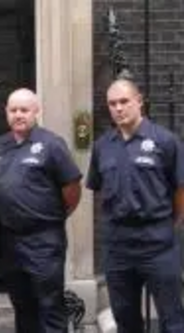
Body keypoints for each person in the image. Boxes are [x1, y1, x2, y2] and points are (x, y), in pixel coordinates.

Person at [87, 79, 184, 332]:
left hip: (157, 244)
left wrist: (169, 223)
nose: (118, 108)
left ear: (139, 101)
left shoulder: (165, 141)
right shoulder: (102, 146)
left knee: (172, 320)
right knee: (126, 320)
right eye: (112, 103)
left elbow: (180, 190)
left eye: (124, 102)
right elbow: (99, 191)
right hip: (118, 247)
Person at [0, 88, 82, 332]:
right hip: (11, 240)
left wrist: (54, 217)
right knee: (22, 305)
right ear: (6, 112)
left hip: (44, 239)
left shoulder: (52, 144)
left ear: (36, 112)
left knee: (50, 304)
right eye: (13, 110)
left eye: (24, 110)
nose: (18, 115)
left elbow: (72, 188)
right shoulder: (0, 145)